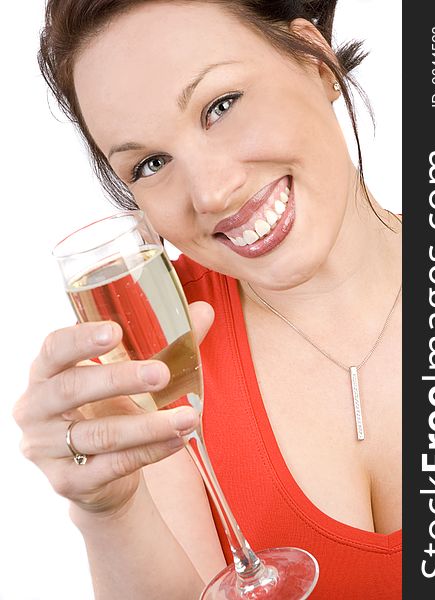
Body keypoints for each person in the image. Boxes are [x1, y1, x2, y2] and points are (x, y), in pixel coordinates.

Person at [14, 1, 402, 598]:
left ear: (317, 63)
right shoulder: (161, 361)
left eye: (220, 106)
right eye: (150, 163)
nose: (211, 191)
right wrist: (109, 513)